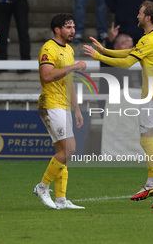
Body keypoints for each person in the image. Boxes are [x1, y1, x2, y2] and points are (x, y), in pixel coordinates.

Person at [84, 0, 153, 208]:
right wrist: (105, 50)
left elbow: (126, 62)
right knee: (151, 138)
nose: (137, 16)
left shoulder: (149, 40)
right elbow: (130, 52)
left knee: (146, 141)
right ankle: (152, 183)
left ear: (148, 18)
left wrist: (98, 56)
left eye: (140, 13)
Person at [33, 13, 86, 210]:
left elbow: (68, 81)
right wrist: (73, 66)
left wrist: (77, 108)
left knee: (61, 152)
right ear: (57, 29)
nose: (73, 31)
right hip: (50, 104)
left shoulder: (69, 49)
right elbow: (47, 76)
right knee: (69, 149)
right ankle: (42, 187)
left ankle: (61, 199)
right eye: (68, 27)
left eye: (73, 27)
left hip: (63, 106)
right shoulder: (48, 48)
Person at [0, 0, 38, 74]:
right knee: (1, 33)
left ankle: (25, 64)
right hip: (1, 2)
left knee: (23, 32)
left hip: (20, 2)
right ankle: (2, 63)